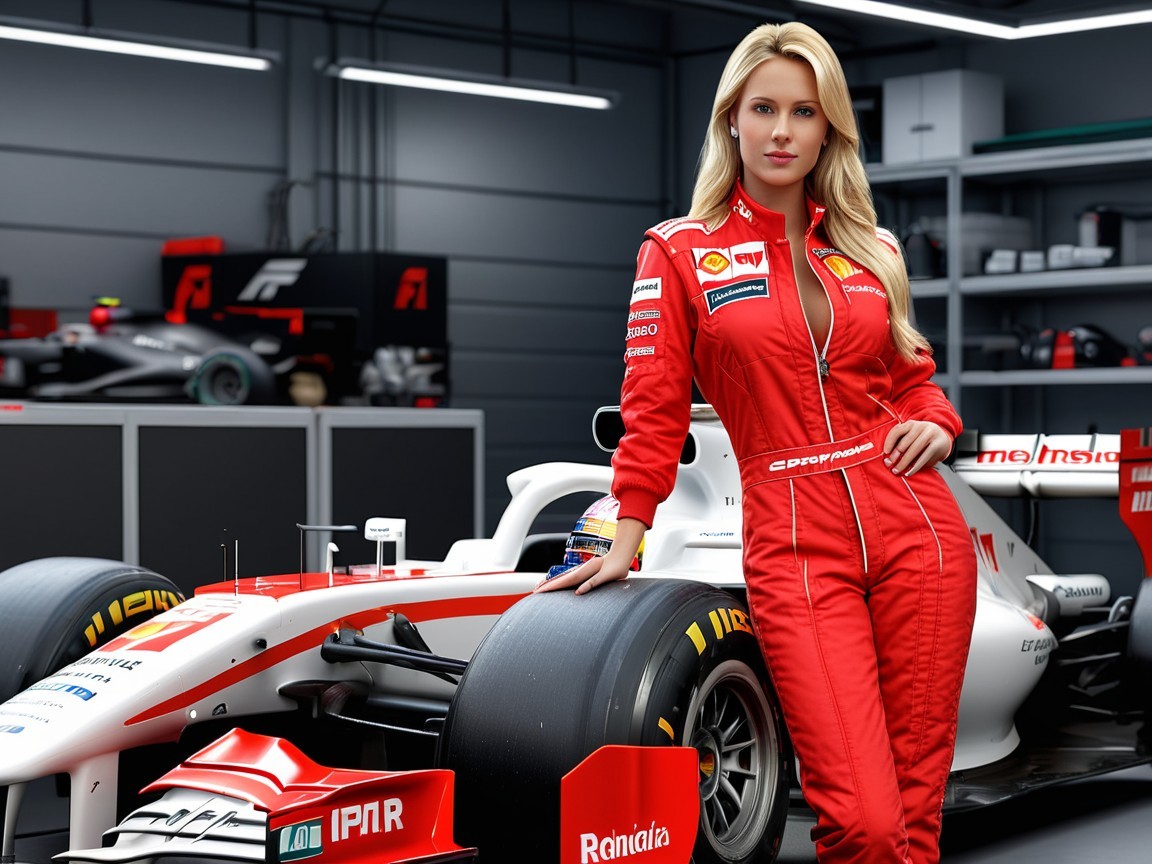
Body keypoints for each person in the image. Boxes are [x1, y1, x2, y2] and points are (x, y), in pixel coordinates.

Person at [535, 20, 977, 864]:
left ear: (828, 128)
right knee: (865, 819)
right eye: (763, 108)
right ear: (730, 118)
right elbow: (652, 404)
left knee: (919, 811)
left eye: (804, 112)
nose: (782, 131)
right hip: (795, 538)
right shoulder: (678, 252)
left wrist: (938, 420)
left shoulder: (872, 247)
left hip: (919, 529)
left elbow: (912, 374)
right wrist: (625, 533)